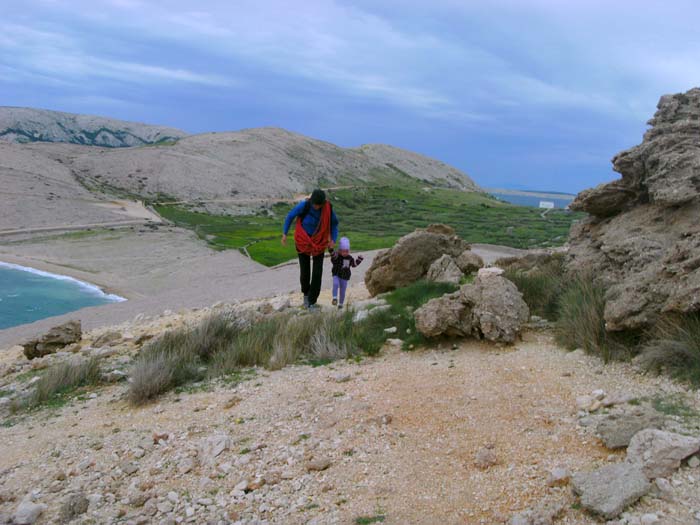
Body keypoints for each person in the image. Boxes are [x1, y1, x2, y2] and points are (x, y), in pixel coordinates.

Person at [282, 189, 338, 310]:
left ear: (323, 203)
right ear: (311, 201)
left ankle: (312, 302)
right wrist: (285, 233)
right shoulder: (305, 205)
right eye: (315, 204)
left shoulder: (327, 208)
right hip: (303, 241)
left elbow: (334, 223)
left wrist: (333, 239)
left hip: (319, 242)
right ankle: (306, 295)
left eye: (319, 205)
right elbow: (290, 216)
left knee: (317, 273)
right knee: (305, 272)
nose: (316, 207)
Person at [328, 236, 363, 309]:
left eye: (347, 251)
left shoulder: (349, 258)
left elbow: (354, 265)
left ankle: (341, 304)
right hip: (336, 274)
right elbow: (332, 254)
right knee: (335, 284)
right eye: (343, 251)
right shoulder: (337, 256)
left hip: (345, 276)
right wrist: (331, 248)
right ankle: (334, 298)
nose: (345, 253)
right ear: (340, 250)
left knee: (342, 290)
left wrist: (359, 259)